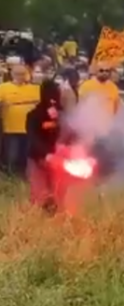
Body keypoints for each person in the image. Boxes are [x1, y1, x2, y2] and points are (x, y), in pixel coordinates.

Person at [25, 79, 63, 212]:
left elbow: (68, 133)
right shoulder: (34, 115)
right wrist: (46, 154)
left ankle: (54, 215)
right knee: (39, 191)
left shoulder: (61, 114)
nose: (54, 100)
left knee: (57, 191)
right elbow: (33, 138)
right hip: (37, 158)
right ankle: (36, 219)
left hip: (57, 158)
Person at [0, 64, 39, 177]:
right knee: (11, 154)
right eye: (18, 74)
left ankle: (23, 176)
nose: (21, 76)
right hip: (11, 128)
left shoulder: (35, 88)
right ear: (12, 74)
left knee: (26, 154)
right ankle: (10, 176)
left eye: (23, 74)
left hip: (29, 129)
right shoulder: (3, 88)